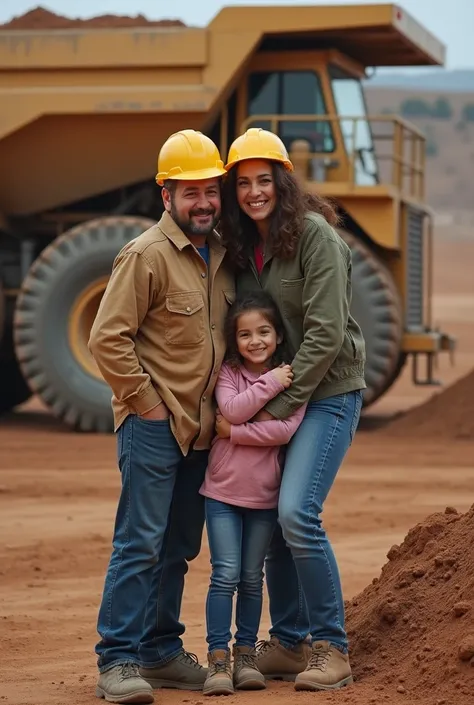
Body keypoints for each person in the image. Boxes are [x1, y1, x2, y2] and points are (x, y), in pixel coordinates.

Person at [88, 129, 235, 705]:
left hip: (201, 434)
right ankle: (118, 660)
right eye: (190, 191)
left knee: (177, 546)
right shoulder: (146, 254)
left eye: (210, 190)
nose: (203, 201)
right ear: (166, 194)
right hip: (154, 427)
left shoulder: (219, 258)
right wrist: (147, 406)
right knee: (139, 543)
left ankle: (161, 652)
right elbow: (108, 338)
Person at [219, 127, 366, 691]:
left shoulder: (315, 239)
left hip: (327, 394)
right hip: (276, 401)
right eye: (244, 183)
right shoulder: (244, 251)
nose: (255, 192)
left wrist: (265, 409)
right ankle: (287, 642)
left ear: (282, 181)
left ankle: (331, 647)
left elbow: (325, 335)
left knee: (297, 514)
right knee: (274, 517)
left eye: (264, 180)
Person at [198, 290, 306, 696]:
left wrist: (233, 431)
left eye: (264, 332)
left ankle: (245, 655)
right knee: (224, 575)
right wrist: (267, 386)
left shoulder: (292, 376)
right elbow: (236, 406)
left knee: (251, 577)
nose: (255, 340)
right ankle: (218, 661)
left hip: (263, 499)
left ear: (278, 335)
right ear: (235, 339)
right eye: (245, 334)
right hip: (222, 495)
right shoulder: (228, 372)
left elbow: (283, 430)